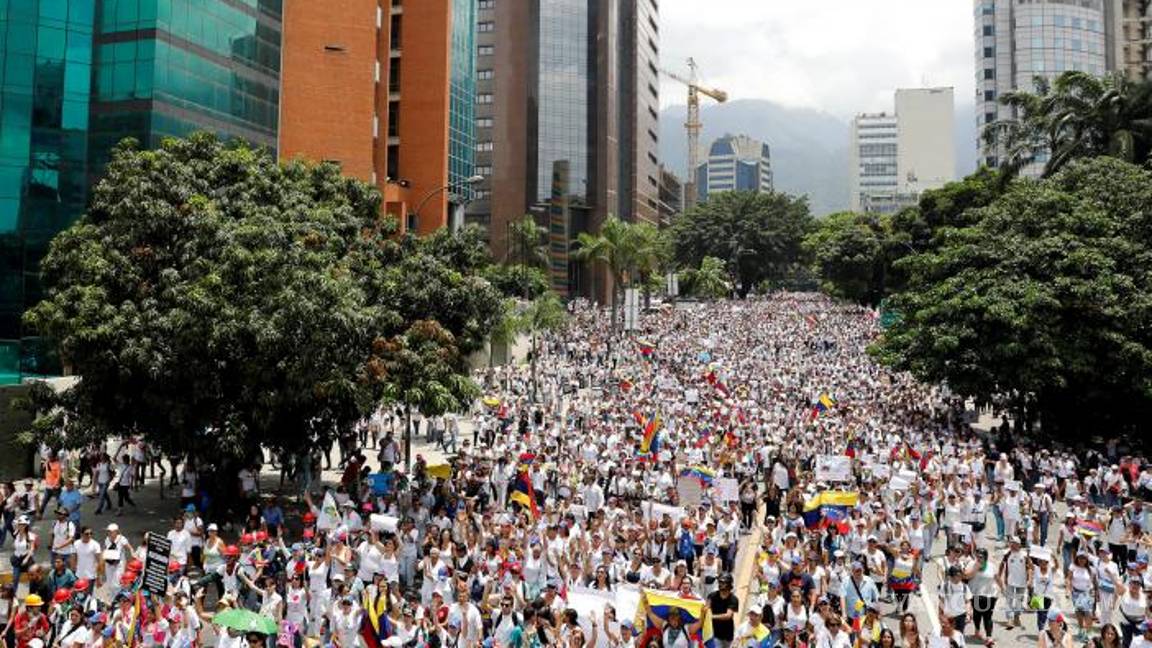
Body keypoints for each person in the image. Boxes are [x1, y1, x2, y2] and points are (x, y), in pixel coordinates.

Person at [708, 574, 739, 648]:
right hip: (714, 632)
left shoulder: (733, 599)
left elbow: (728, 616)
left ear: (729, 584)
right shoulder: (712, 596)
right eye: (719, 582)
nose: (720, 584)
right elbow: (707, 609)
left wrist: (711, 616)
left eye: (723, 582)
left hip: (728, 634)